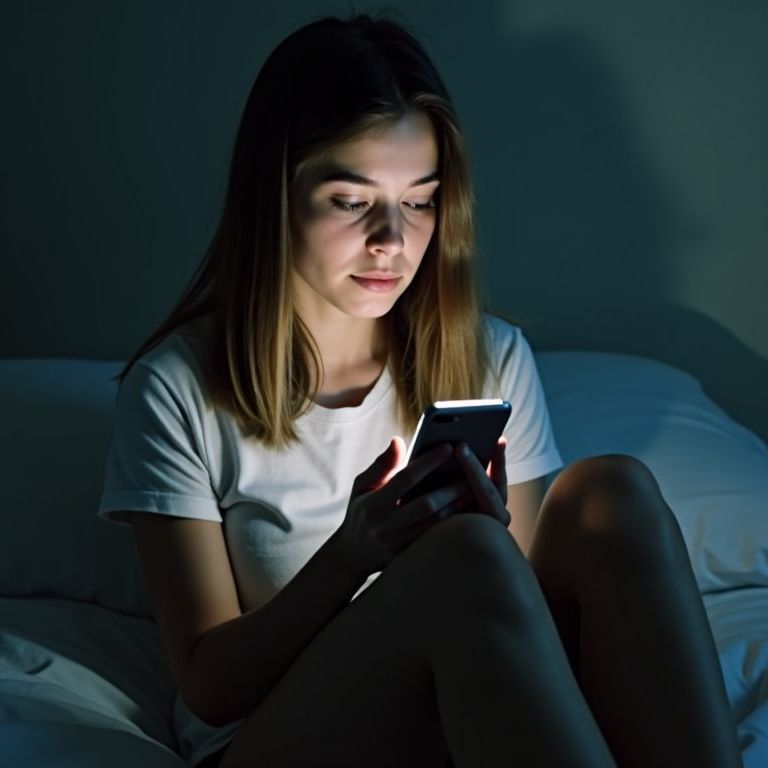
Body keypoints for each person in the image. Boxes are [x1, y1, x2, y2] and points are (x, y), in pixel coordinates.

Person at [98, 13, 742, 768]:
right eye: (350, 200)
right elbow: (210, 685)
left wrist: (500, 551)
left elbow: (514, 620)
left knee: (612, 492)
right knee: (460, 555)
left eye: (420, 200)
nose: (392, 241)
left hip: (467, 706)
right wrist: (351, 554)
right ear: (275, 195)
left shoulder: (490, 357)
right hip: (273, 739)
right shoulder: (177, 389)